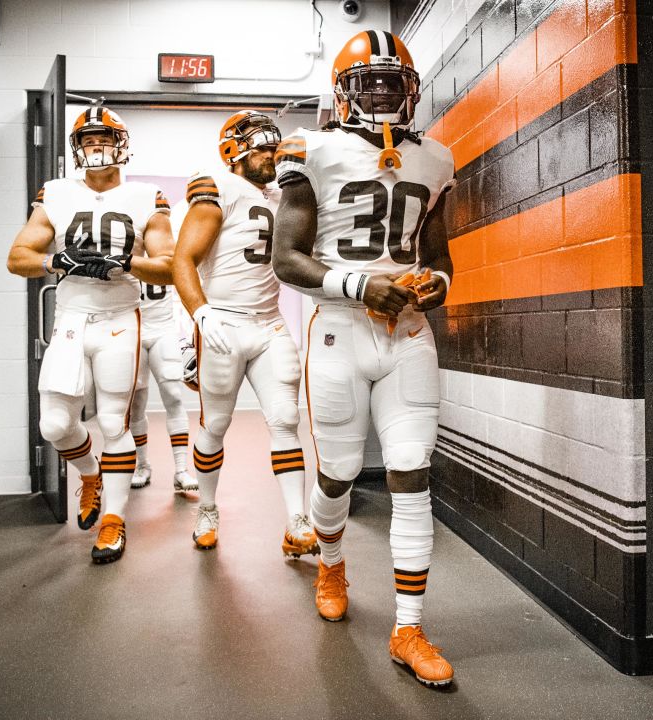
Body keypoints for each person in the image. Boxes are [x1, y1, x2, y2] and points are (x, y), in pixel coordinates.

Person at [271, 30, 457, 687]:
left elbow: (438, 258)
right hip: (340, 328)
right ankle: (330, 559)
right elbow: (286, 258)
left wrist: (436, 285)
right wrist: (358, 283)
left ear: (409, 88)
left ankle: (408, 626)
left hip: (406, 331)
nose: (382, 93)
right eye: (368, 82)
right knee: (339, 474)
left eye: (392, 82)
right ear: (344, 91)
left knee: (412, 473)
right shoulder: (310, 150)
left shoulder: (434, 157)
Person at [6, 107, 174, 564]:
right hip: (71, 318)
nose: (97, 148)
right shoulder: (57, 193)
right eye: (89, 140)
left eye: (105, 139)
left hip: (121, 316)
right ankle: (90, 473)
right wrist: (55, 262)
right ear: (76, 148)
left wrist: (126, 265)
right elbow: (17, 255)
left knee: (115, 422)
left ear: (122, 144)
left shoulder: (145, 196)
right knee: (55, 425)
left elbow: (169, 265)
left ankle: (114, 522)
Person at [172, 110, 319, 559]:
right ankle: (208, 509)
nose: (271, 153)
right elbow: (183, 260)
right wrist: (200, 316)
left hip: (270, 323)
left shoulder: (284, 195)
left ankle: (296, 519)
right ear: (235, 151)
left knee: (285, 420)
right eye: (262, 146)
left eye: (274, 146)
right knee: (215, 425)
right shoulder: (217, 185)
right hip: (224, 324)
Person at [126, 276, 194, 494]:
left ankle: (181, 469)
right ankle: (142, 464)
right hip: (130, 327)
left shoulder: (165, 246)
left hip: (163, 328)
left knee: (173, 395)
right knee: (136, 402)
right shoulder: (125, 242)